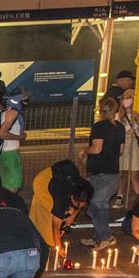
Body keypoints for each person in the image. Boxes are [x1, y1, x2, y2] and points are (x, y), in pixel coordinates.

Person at [79, 96, 125, 253]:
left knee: (94, 205)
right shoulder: (120, 127)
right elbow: (121, 151)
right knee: (100, 206)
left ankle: (106, 237)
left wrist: (85, 150)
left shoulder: (99, 126)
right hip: (112, 171)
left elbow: (97, 149)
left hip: (101, 173)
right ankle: (99, 236)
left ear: (100, 110)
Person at [28, 160, 93, 257]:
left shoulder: (87, 189)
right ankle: (46, 241)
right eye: (76, 204)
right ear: (71, 197)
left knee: (63, 213)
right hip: (42, 182)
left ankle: (46, 233)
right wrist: (59, 248)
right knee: (48, 212)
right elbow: (56, 228)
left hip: (59, 176)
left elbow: (81, 204)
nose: (78, 207)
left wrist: (72, 217)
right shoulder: (61, 199)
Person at [0, 90, 28, 192]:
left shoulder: (4, 112)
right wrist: (20, 137)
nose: (27, 100)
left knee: (5, 188)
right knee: (12, 189)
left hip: (3, 153)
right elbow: (2, 133)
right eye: (24, 98)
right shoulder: (13, 112)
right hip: (11, 155)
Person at [119, 89, 139, 206]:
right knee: (121, 173)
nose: (126, 100)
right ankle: (119, 196)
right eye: (125, 98)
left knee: (133, 174)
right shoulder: (118, 116)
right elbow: (117, 132)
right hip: (122, 146)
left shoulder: (136, 115)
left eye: (129, 97)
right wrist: (127, 133)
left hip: (134, 147)